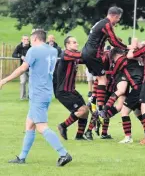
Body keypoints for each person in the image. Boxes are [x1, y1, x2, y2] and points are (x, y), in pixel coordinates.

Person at [0, 30, 72, 166]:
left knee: (41, 127)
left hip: (38, 93)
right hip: (46, 91)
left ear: (34, 39)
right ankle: (21, 157)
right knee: (30, 125)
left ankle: (64, 154)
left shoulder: (33, 50)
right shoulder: (52, 51)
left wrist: (4, 80)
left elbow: (23, 68)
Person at [81, 6, 128, 115]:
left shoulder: (100, 23)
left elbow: (111, 41)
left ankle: (93, 98)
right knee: (103, 79)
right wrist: (126, 47)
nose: (118, 21)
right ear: (115, 16)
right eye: (118, 19)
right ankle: (101, 107)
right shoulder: (107, 24)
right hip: (94, 54)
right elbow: (114, 42)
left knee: (98, 78)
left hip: (86, 52)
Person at [53, 36, 89, 141]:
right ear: (67, 45)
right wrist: (91, 49)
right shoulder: (66, 54)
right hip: (63, 91)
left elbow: (86, 59)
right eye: (73, 42)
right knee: (82, 110)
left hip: (71, 90)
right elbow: (84, 55)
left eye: (76, 42)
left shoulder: (74, 57)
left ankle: (79, 136)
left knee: (85, 110)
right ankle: (63, 126)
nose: (76, 44)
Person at [12, 35, 31, 100]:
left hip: (31, 67)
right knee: (23, 82)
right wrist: (21, 56)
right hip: (23, 68)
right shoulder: (19, 47)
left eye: (27, 39)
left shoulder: (31, 47)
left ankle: (30, 96)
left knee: (31, 83)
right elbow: (13, 55)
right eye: (25, 39)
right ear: (22, 40)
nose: (26, 41)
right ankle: (22, 97)